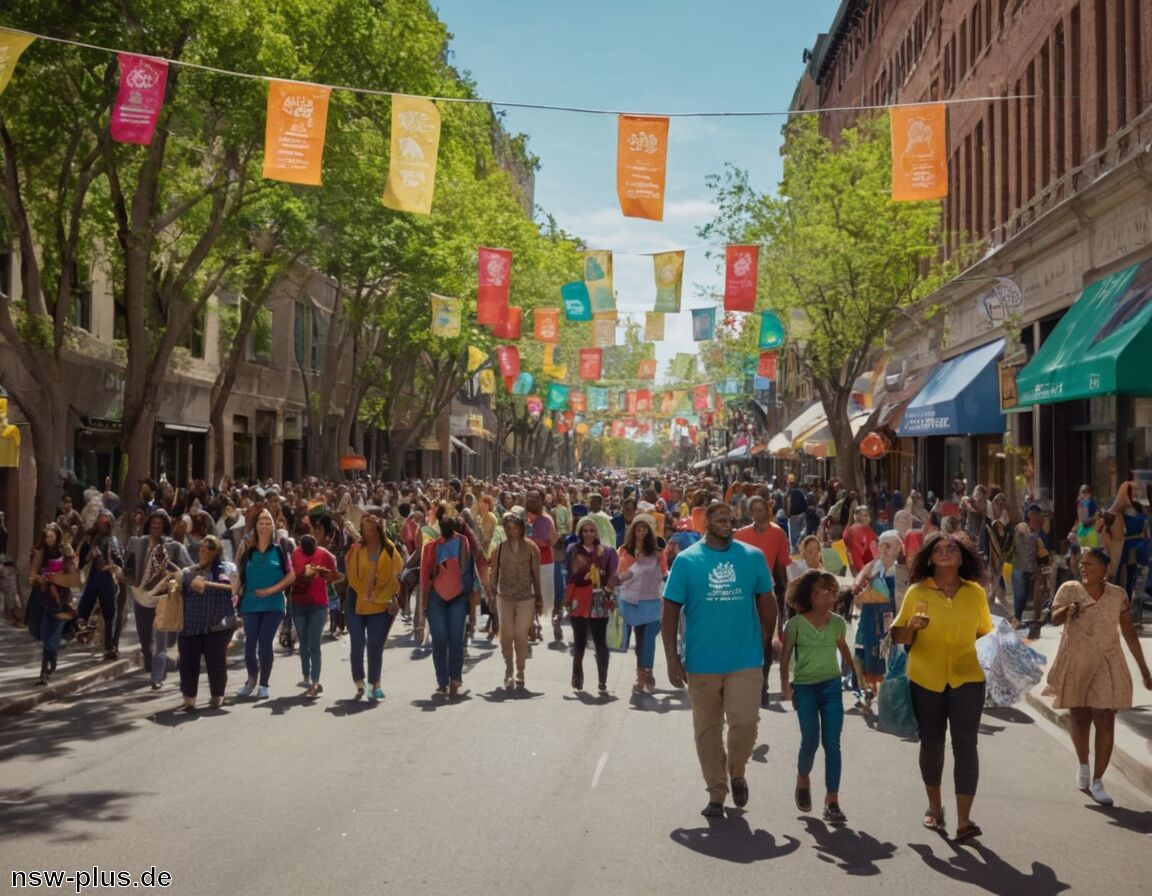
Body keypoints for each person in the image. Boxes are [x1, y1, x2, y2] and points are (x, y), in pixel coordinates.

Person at [661, 502, 776, 818]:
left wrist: (768, 642)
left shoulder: (752, 557)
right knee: (708, 731)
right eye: (721, 519)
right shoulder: (687, 561)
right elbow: (670, 611)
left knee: (746, 723)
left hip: (745, 658)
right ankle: (716, 792)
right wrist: (672, 658)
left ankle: (736, 771)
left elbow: (768, 602)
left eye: (731, 518)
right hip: (701, 662)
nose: (728, 523)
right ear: (705, 522)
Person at [891, 533, 994, 842]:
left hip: (968, 678)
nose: (946, 552)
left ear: (962, 558)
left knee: (966, 745)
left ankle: (964, 820)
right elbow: (898, 637)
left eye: (952, 549)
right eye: (939, 550)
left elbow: (985, 634)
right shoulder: (916, 591)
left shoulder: (975, 593)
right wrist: (911, 628)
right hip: (926, 679)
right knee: (932, 744)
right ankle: (935, 808)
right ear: (931, 558)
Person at [1044, 547, 1152, 805]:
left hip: (1107, 661)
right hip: (1077, 661)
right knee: (1080, 717)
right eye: (1082, 564)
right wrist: (1068, 609)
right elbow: (1055, 619)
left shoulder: (1118, 595)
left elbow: (1129, 633)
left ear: (1106, 569)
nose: (1084, 568)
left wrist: (1144, 670)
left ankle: (1098, 780)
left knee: (1105, 717)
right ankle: (1083, 763)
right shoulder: (1069, 588)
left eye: (1090, 564)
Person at [780, 570, 854, 824]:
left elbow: (844, 650)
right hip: (805, 688)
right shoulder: (795, 625)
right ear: (810, 595)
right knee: (810, 741)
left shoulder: (837, 623)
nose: (832, 594)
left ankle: (832, 801)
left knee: (832, 744)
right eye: (826, 590)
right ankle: (803, 778)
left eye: (834, 590)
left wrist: (861, 682)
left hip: (831, 688)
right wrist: (785, 687)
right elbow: (785, 656)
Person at [123, 509, 193, 689]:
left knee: (161, 642)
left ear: (165, 528)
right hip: (141, 597)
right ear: (149, 526)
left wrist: (173, 591)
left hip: (162, 598)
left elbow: (185, 571)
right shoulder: (136, 543)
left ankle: (157, 678)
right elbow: (127, 567)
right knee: (146, 640)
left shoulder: (174, 547)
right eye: (154, 525)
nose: (156, 528)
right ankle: (149, 659)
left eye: (160, 526)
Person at [734, 494, 791, 705]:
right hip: (743, 592)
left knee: (766, 640)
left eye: (762, 509)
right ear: (750, 513)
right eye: (755, 510)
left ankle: (763, 683)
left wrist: (787, 592)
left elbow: (783, 563)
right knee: (745, 637)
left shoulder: (777, 533)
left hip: (767, 591)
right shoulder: (741, 534)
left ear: (769, 510)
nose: (759, 513)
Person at [233, 509, 295, 700]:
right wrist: (235, 591)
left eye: (268, 521)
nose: (265, 524)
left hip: (274, 604)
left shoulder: (281, 548)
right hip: (250, 604)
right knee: (250, 645)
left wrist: (270, 591)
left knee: (265, 644)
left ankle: (263, 684)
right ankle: (251, 680)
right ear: (256, 526)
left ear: (273, 526)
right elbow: (236, 574)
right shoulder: (248, 550)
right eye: (261, 522)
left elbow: (291, 576)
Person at [419, 506, 476, 698]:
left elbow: (467, 567)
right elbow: (424, 575)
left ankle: (455, 678)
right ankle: (442, 681)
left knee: (455, 640)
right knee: (440, 641)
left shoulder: (462, 542)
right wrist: (424, 603)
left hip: (458, 597)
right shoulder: (431, 547)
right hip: (437, 598)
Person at [345, 515, 403, 701]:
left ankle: (375, 684)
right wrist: (365, 592)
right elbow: (351, 575)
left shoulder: (390, 549)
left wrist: (386, 595)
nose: (367, 533)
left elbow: (397, 576)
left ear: (379, 530)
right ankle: (359, 682)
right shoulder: (356, 549)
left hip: (381, 602)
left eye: (371, 529)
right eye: (364, 529)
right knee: (357, 644)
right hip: (356, 599)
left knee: (375, 645)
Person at [176, 536, 234, 711]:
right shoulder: (187, 572)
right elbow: (174, 588)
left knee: (216, 663)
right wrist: (171, 583)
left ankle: (217, 696)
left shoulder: (224, 570)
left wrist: (206, 584)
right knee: (187, 664)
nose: (203, 554)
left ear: (215, 553)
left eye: (208, 551)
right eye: (201, 550)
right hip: (190, 627)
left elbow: (231, 588)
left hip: (215, 626)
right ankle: (189, 700)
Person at [564, 517, 619, 693]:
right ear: (580, 533)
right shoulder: (573, 550)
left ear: (597, 533)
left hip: (599, 600)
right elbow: (569, 576)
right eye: (585, 531)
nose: (588, 534)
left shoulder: (607, 552)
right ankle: (576, 673)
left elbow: (613, 575)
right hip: (578, 599)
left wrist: (608, 590)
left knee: (600, 641)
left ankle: (602, 680)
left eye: (591, 531)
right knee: (579, 640)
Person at [490, 511, 542, 689]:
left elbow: (536, 573)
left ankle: (520, 671)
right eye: (508, 528)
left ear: (521, 529)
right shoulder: (500, 548)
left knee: (520, 635)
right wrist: (491, 595)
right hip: (505, 597)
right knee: (507, 636)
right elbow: (495, 573)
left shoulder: (531, 548)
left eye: (515, 528)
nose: (511, 531)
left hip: (526, 598)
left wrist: (539, 598)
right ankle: (508, 669)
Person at [616, 514, 667, 693]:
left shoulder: (656, 551)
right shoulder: (624, 550)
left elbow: (663, 573)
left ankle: (645, 672)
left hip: (651, 599)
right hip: (630, 600)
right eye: (638, 529)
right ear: (633, 531)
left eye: (645, 529)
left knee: (646, 638)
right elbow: (620, 573)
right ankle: (642, 672)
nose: (641, 532)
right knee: (638, 638)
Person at [27, 523, 81, 687]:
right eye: (46, 537)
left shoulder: (65, 551)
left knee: (52, 642)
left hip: (61, 603)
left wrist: (57, 578)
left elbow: (73, 578)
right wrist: (39, 579)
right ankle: (43, 674)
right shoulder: (41, 553)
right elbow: (32, 577)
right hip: (45, 601)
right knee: (44, 639)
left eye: (51, 537)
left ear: (57, 537)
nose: (49, 540)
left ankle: (52, 666)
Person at [851, 529, 901, 701]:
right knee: (869, 649)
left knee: (890, 650)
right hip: (871, 614)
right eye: (881, 545)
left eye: (889, 545)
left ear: (898, 548)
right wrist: (857, 586)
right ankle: (868, 688)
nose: (884, 549)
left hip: (892, 613)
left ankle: (889, 687)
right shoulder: (874, 565)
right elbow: (860, 578)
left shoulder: (900, 568)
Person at [290, 533, 339, 699]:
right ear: (301, 546)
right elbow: (290, 576)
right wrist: (304, 575)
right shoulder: (295, 555)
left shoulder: (324, 554)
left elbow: (334, 574)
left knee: (314, 644)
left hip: (318, 603)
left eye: (311, 548)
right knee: (303, 642)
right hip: (299, 602)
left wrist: (322, 575)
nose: (308, 551)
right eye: (305, 549)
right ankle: (306, 674)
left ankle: (315, 680)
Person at [75, 508, 124, 660]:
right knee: (83, 608)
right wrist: (89, 554)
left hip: (107, 579)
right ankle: (81, 635)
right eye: (101, 520)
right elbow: (80, 560)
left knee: (109, 613)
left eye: (106, 521)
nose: (103, 523)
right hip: (94, 577)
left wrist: (111, 559)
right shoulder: (91, 538)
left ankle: (110, 645)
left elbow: (119, 561)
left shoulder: (112, 540)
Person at [1012, 503, 1045, 625]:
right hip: (1020, 570)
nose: (1039, 518)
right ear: (1030, 514)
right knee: (1020, 598)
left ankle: (1020, 620)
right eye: (1036, 515)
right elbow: (1019, 528)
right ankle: (1017, 620)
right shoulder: (1023, 526)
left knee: (1025, 598)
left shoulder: (1036, 530)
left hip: (1029, 570)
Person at [843, 506, 878, 575]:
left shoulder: (869, 530)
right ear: (855, 517)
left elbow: (875, 551)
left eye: (865, 515)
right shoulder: (854, 530)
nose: (862, 518)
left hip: (868, 567)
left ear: (869, 518)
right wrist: (865, 573)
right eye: (860, 515)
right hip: (859, 570)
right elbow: (855, 556)